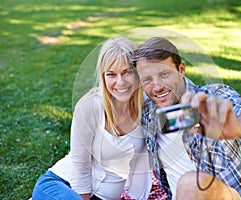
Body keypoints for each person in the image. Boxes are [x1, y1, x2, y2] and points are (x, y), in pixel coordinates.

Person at [131, 37, 241, 200]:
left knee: (192, 182)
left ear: (181, 69)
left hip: (231, 196)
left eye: (164, 74)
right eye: (147, 79)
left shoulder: (212, 98)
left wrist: (239, 126)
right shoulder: (148, 109)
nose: (157, 87)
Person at [32, 37, 152, 200]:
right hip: (63, 185)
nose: (120, 82)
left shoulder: (146, 104)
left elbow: (175, 88)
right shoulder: (90, 107)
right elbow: (80, 169)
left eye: (127, 72)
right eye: (111, 74)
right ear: (103, 77)